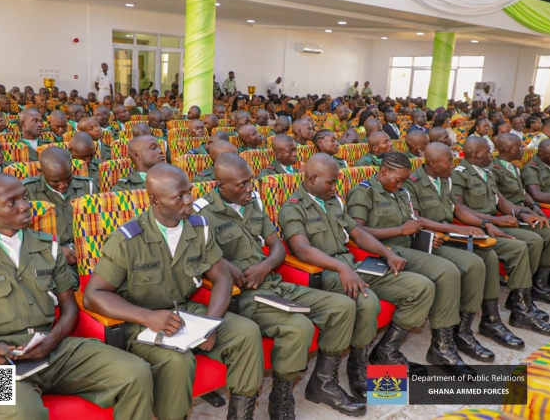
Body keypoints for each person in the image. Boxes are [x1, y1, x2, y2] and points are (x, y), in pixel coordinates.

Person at [0, 172, 153, 419]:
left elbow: (69, 308)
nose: (26, 206)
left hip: (52, 349)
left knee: (136, 372)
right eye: (12, 202)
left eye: (25, 197)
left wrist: (52, 339)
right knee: (24, 412)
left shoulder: (50, 246)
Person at [84, 163, 264, 420]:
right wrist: (147, 317)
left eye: (189, 192)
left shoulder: (199, 228)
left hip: (182, 310)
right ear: (155, 201)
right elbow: (90, 295)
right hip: (13, 357)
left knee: (247, 331)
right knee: (9, 404)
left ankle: (241, 415)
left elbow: (222, 276)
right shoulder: (126, 240)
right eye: (180, 196)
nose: (190, 201)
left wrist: (209, 324)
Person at [194, 154, 365, 417]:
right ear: (220, 184)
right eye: (241, 184)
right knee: (299, 327)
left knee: (342, 306)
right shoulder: (201, 213)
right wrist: (231, 268)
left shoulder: (252, 202)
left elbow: (276, 246)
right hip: (244, 294)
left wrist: (266, 265)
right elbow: (203, 256)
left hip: (274, 282)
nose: (250, 189)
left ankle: (323, 383)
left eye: (250, 182)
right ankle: (282, 397)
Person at [280, 153, 435, 394]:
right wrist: (341, 267)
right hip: (326, 272)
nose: (335, 187)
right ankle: (355, 368)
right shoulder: (293, 208)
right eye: (331, 182)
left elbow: (359, 234)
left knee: (421, 286)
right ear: (312, 179)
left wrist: (388, 254)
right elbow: (302, 249)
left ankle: (386, 352)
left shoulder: (334, 202)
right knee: (367, 300)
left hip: (352, 265)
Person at [347, 152, 477, 375]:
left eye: (404, 181)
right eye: (397, 179)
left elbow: (411, 223)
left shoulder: (401, 192)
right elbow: (357, 232)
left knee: (462, 266)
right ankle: (415, 348)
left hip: (409, 246)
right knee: (446, 271)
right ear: (384, 171)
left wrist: (425, 234)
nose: (400, 185)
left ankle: (442, 344)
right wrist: (400, 230)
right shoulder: (363, 191)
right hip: (384, 250)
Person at [405, 143, 526, 358]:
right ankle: (446, 339)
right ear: (432, 163)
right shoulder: (412, 183)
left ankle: (483, 322)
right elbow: (417, 219)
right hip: (430, 240)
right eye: (449, 161)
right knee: (472, 263)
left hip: (450, 234)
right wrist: (454, 228)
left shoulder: (445, 179)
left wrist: (484, 222)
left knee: (487, 256)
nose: (454, 164)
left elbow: (457, 209)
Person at [452, 137, 550, 335]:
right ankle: (519, 306)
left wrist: (524, 213)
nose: (492, 155)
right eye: (488, 152)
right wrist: (491, 222)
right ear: (475, 155)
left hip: (493, 222)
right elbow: (459, 208)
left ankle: (521, 301)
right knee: (521, 245)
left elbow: (502, 201)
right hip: (475, 225)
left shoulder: (487, 172)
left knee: (535, 238)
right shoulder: (460, 175)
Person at [492, 134, 550, 306]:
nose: (523, 150)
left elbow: (523, 193)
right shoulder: (494, 170)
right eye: (519, 147)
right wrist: (522, 212)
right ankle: (520, 294)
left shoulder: (514, 167)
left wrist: (534, 205)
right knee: (540, 236)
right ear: (508, 150)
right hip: (508, 216)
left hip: (522, 211)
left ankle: (540, 283)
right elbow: (499, 201)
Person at [23, 147, 97, 279]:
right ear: (41, 172)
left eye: (68, 178)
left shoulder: (87, 186)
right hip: (52, 256)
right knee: (67, 283)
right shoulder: (26, 192)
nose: (63, 185)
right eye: (55, 182)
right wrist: (56, 250)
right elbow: (20, 234)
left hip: (91, 251)